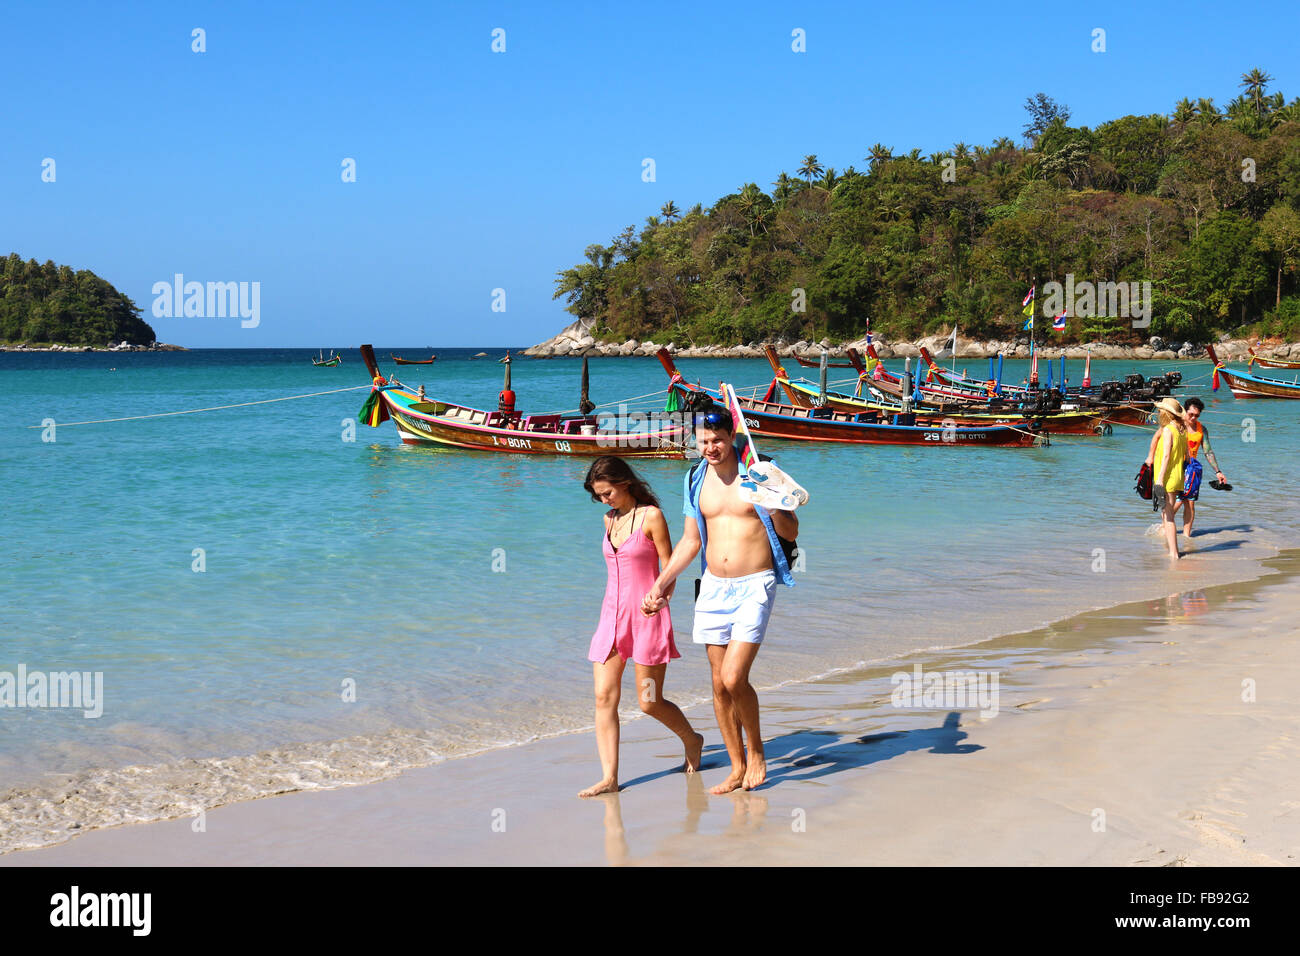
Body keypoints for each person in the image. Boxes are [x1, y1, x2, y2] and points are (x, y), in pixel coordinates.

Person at [643, 405, 798, 793]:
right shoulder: (695, 478)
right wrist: (661, 583)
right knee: (717, 684)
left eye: (717, 440)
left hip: (755, 583)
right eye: (703, 441)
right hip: (712, 586)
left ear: (732, 436)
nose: (710, 448)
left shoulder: (762, 469)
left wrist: (771, 502)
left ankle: (757, 752)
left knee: (734, 677)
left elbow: (791, 531)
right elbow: (691, 541)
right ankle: (735, 765)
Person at [579, 456, 703, 798]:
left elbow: (670, 565)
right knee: (603, 697)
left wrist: (662, 597)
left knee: (649, 702)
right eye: (599, 496)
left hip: (647, 617)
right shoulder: (608, 519)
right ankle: (609, 777)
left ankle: (692, 739)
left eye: (607, 493)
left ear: (625, 483)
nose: (604, 500)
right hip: (611, 618)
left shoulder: (652, 517)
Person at [1177, 397, 1226, 539]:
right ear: (1185, 411)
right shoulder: (1178, 425)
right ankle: (1165, 527)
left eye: (1196, 415)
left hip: (1192, 469)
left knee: (1190, 504)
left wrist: (1218, 471)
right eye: (1190, 414)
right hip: (1177, 466)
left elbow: (1208, 451)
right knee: (1178, 501)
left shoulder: (1201, 429)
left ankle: (1186, 536)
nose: (1193, 418)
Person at [1147, 397, 1189, 560]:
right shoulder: (1182, 430)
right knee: (1166, 514)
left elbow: (1165, 456)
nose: (1158, 413)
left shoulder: (1168, 430)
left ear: (1166, 413)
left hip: (1167, 477)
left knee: (1168, 516)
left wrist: (1159, 479)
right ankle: (1171, 549)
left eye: (1160, 411)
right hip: (1177, 476)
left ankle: (1174, 553)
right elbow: (1185, 456)